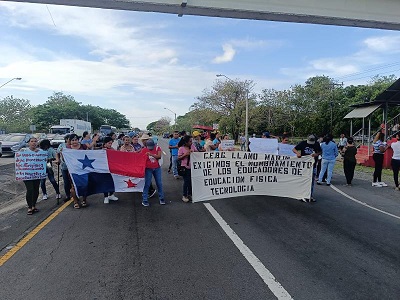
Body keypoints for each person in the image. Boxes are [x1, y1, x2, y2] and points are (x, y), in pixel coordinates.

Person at [293, 134, 322, 202]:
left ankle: (309, 195)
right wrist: (298, 153)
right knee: (303, 180)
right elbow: (294, 149)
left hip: (312, 165)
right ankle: (301, 195)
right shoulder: (303, 143)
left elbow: (320, 151)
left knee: (311, 181)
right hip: (304, 166)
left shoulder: (316, 144)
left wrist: (316, 154)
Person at [22, 137, 44, 215]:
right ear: (29, 143)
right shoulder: (24, 151)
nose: (34, 143)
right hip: (27, 174)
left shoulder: (41, 151)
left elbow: (44, 161)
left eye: (35, 141)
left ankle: (34, 205)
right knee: (30, 189)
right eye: (32, 141)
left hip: (37, 174)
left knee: (36, 189)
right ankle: (29, 206)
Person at [141, 139, 165, 206]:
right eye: (149, 147)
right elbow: (141, 159)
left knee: (159, 183)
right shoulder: (144, 150)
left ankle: (161, 198)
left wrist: (151, 154)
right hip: (148, 168)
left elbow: (159, 156)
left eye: (152, 147)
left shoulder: (157, 148)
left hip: (157, 168)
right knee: (147, 184)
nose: (151, 148)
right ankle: (144, 199)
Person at [178, 135, 197, 202]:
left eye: (191, 141)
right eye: (190, 141)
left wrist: (194, 152)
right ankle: (184, 195)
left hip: (192, 167)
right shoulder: (181, 148)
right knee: (186, 182)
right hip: (185, 167)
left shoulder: (192, 146)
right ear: (185, 142)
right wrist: (186, 154)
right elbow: (179, 158)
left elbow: (197, 153)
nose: (191, 143)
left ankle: (190, 194)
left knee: (191, 182)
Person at [102, 136, 119, 203]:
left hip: (112, 169)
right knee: (105, 183)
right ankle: (106, 197)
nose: (110, 144)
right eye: (109, 143)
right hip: (104, 169)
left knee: (112, 182)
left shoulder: (112, 149)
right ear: (105, 143)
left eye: (111, 143)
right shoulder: (102, 150)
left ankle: (111, 194)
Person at [56, 134, 72, 202]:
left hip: (72, 167)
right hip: (64, 166)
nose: (70, 141)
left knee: (72, 181)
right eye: (69, 139)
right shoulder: (62, 145)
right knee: (66, 182)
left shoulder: (73, 146)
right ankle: (67, 195)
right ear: (66, 139)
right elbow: (57, 153)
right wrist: (58, 159)